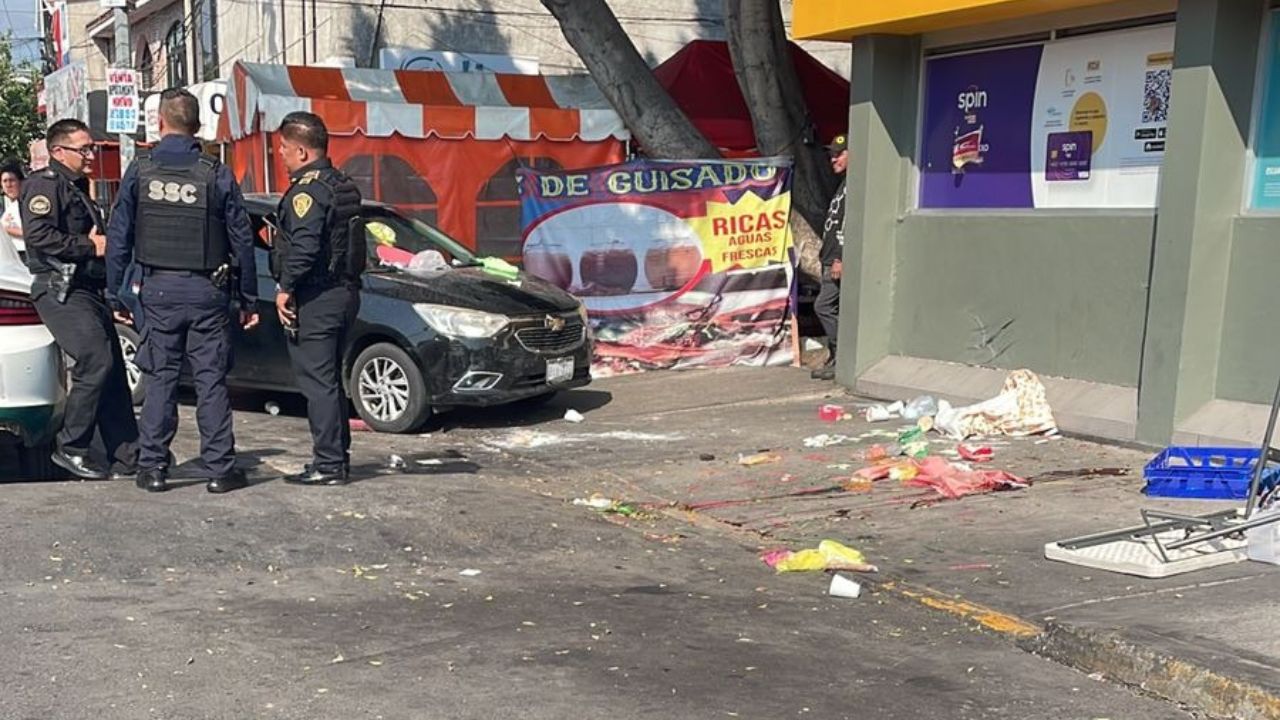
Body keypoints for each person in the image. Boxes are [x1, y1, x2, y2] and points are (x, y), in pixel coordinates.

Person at [106, 88, 260, 494]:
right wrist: (246, 297)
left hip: (157, 290)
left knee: (160, 379)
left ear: (160, 122)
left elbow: (119, 237)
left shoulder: (140, 170)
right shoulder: (215, 172)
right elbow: (241, 239)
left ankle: (153, 468)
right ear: (197, 125)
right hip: (208, 290)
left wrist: (116, 294)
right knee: (211, 381)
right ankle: (220, 470)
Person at [20, 119, 139, 479]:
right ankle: (71, 447)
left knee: (114, 371)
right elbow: (39, 236)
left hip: (89, 288)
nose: (91, 155)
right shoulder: (44, 185)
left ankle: (128, 455)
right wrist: (92, 245)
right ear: (58, 151)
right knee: (95, 359)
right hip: (60, 289)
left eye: (92, 148)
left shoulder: (77, 187)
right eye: (83, 149)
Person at [272, 111, 364, 486]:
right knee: (330, 381)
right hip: (344, 292)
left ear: (302, 152)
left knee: (318, 383)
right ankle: (336, 458)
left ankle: (328, 464)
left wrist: (285, 288)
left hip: (318, 296)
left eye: (284, 148)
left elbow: (306, 248)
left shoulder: (307, 192)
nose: (280, 154)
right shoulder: (342, 184)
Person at [812, 134, 848, 382]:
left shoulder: (855, 184)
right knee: (832, 307)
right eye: (832, 155)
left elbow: (850, 223)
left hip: (837, 259)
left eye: (839, 154)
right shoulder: (842, 184)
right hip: (828, 258)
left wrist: (840, 257)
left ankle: (842, 358)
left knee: (823, 306)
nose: (833, 159)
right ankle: (835, 357)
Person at [2, 163, 25, 251]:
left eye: (11, 180)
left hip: (24, 254)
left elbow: (31, 233)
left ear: (20, 181)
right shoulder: (10, 206)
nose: (8, 185)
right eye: (4, 181)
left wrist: (4, 229)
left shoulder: (25, 204)